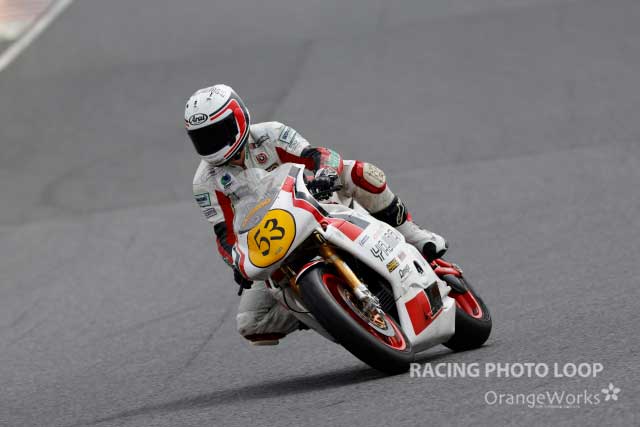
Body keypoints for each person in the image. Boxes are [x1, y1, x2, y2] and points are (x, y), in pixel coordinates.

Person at [187, 84, 447, 345]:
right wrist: (236, 262)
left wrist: (325, 172)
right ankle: (328, 309)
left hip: (314, 204)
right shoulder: (205, 182)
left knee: (360, 172)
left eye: (217, 133)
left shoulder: (270, 133)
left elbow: (319, 154)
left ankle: (412, 235)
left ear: (238, 119)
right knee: (251, 323)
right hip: (272, 245)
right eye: (202, 138)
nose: (211, 143)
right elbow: (224, 235)